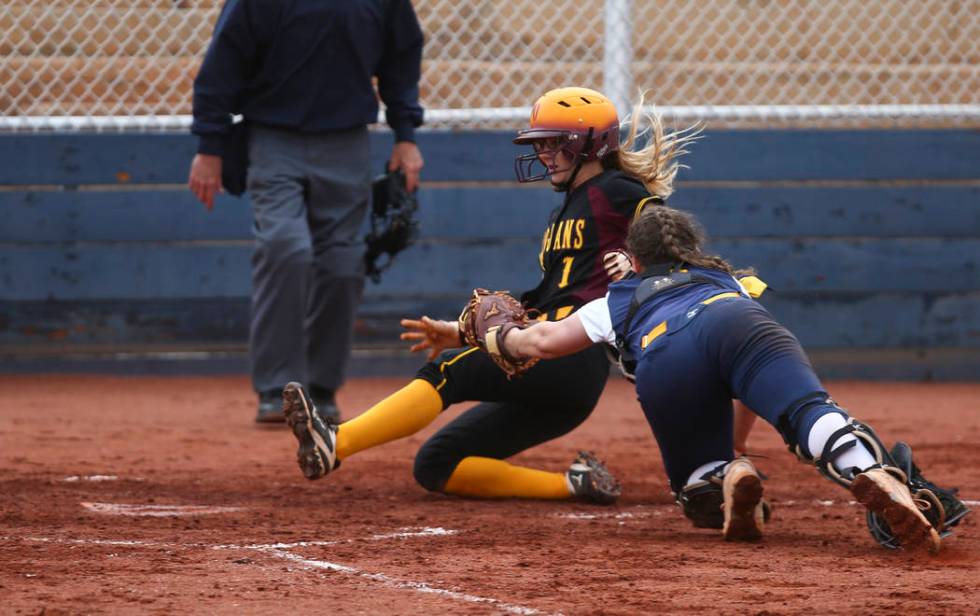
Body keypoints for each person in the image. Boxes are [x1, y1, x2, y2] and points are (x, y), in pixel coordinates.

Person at [281, 86, 700, 503]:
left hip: (568, 351)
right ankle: (575, 484)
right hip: (566, 376)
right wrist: (462, 332)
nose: (543, 154)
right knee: (436, 464)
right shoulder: (568, 209)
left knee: (447, 373)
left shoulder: (616, 190)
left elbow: (665, 230)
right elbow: (545, 302)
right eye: (541, 144)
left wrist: (644, 262)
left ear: (588, 145)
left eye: (555, 144)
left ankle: (335, 443)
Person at [467, 204, 969, 551]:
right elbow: (748, 391)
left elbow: (541, 344)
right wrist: (739, 441)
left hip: (667, 351)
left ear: (634, 259)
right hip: (740, 321)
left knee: (696, 491)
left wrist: (496, 335)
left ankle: (720, 477)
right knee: (809, 413)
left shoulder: (614, 301)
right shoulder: (727, 277)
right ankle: (868, 469)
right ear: (690, 250)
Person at [187, 0, 425, 423]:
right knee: (285, 248)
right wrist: (209, 146)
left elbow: (401, 57)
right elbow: (221, 66)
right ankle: (278, 388)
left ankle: (319, 387)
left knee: (343, 264)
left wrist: (405, 135)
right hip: (274, 139)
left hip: (347, 141)